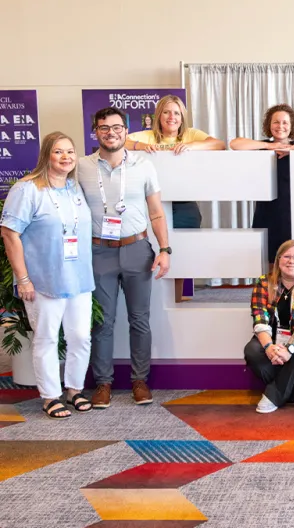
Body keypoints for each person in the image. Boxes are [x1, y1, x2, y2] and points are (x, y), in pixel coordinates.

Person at [78, 107, 171, 408]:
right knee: (102, 322)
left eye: (117, 127)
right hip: (98, 251)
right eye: (104, 127)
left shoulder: (143, 165)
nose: (111, 132)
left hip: (137, 249)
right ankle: (103, 383)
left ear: (126, 131)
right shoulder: (81, 166)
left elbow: (156, 212)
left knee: (139, 320)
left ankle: (139, 381)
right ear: (96, 131)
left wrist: (165, 249)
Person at [1, 132, 95, 418]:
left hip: (78, 278)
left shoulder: (73, 187)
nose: (65, 157)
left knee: (80, 337)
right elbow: (9, 233)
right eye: (58, 152)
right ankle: (50, 396)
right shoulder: (27, 188)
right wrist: (23, 279)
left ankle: (74, 389)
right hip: (43, 280)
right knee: (46, 338)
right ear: (46, 155)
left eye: (70, 151)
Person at [230, 104, 294, 263]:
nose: (280, 126)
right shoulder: (261, 147)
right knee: (268, 260)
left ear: (291, 126)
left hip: (293, 211)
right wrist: (270, 146)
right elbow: (235, 144)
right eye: (276, 122)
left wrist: (291, 149)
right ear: (269, 124)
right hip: (266, 212)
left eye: (285, 122)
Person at [243, 240, 294, 413]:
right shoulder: (264, 282)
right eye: (286, 256)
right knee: (252, 350)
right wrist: (268, 347)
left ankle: (274, 395)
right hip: (273, 340)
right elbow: (260, 318)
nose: (291, 261)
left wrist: (289, 349)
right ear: (278, 259)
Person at [126, 95, 225, 229]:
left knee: (187, 243)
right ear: (159, 115)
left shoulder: (190, 134)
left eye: (176, 113)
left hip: (184, 201)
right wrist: (140, 146)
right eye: (166, 112)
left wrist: (191, 145)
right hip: (153, 201)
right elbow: (119, 141)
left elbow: (219, 144)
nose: (172, 117)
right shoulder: (148, 135)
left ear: (182, 117)